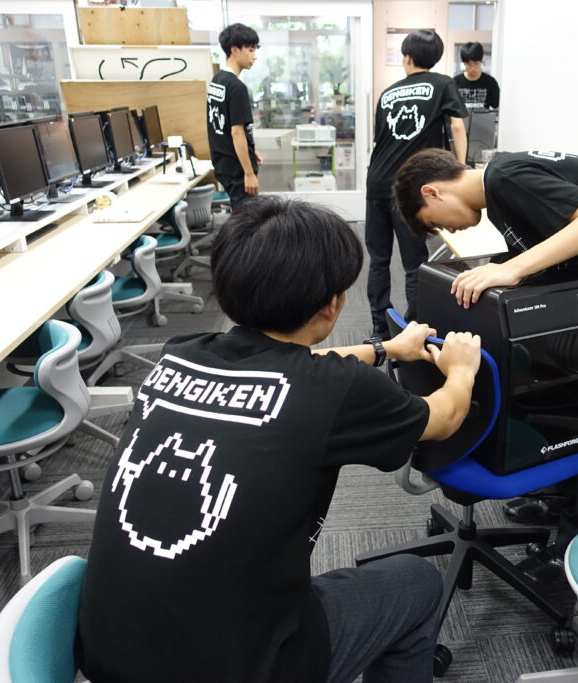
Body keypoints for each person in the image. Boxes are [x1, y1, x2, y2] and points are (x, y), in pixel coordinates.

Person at [75, 195, 483, 682]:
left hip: (109, 655)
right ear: (332, 304)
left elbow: (296, 371)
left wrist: (385, 349)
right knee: (417, 583)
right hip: (241, 671)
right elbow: (444, 417)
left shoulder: (178, 355)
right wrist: (461, 368)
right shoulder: (338, 391)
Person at [394, 148, 578, 578]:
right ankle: (562, 498)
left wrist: (513, 269)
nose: (447, 230)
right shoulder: (500, 190)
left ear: (432, 192)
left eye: (435, 222)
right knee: (570, 391)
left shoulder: (506, 178)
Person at [365, 29, 469, 339]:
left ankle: (380, 329)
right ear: (435, 58)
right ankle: (412, 329)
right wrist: (460, 170)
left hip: (376, 181)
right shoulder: (443, 84)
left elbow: (381, 139)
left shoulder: (388, 93)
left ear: (406, 57)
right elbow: (457, 127)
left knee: (379, 261)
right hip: (408, 187)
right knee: (414, 263)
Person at [207, 23, 262, 207]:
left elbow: (223, 126)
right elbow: (236, 132)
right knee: (246, 218)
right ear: (234, 50)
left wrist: (250, 152)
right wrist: (249, 173)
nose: (254, 56)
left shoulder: (218, 80)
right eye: (250, 50)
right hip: (237, 169)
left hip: (224, 163)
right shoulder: (237, 88)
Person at [453, 42, 500, 110]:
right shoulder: (455, 82)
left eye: (476, 64)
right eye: (469, 64)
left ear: (481, 61)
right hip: (461, 117)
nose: (473, 68)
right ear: (464, 63)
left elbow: (496, 106)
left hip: (483, 117)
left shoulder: (490, 82)